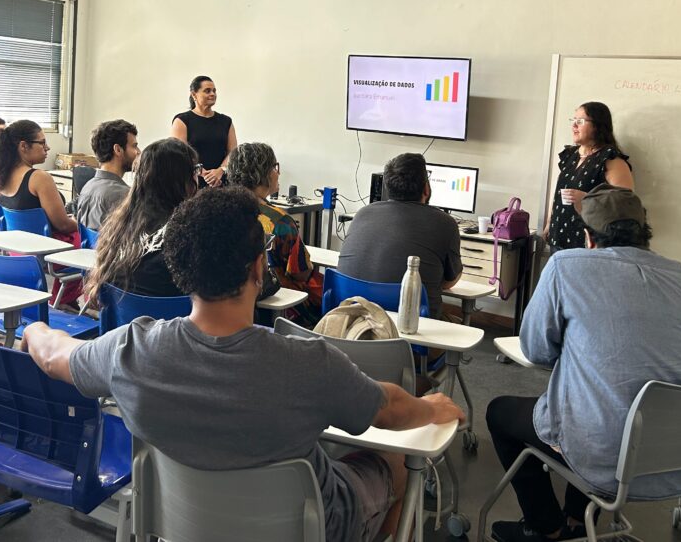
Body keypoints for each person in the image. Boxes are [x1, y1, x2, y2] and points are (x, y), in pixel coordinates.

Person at [24, 186, 466, 542]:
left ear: (180, 267)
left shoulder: (131, 351)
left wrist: (34, 332)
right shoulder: (308, 363)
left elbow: (53, 356)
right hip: (314, 525)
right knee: (391, 463)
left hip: (183, 525)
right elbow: (388, 411)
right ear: (259, 267)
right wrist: (431, 407)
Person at [486, 184, 681, 542]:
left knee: (503, 413)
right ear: (644, 233)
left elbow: (536, 349)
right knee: (602, 398)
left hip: (607, 450)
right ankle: (577, 519)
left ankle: (547, 526)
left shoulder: (566, 266)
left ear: (589, 237)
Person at [338, 153, 462, 316]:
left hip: (349, 320)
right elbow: (449, 282)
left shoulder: (362, 214)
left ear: (388, 187)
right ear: (426, 188)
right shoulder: (445, 223)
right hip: (410, 328)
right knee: (457, 322)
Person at [84, 138, 198, 300]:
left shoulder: (119, 226)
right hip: (168, 320)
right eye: (195, 169)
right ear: (181, 179)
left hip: (122, 322)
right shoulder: (186, 233)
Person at [227, 142, 318, 295]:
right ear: (264, 173)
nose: (278, 173)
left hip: (226, 298)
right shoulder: (280, 221)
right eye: (275, 167)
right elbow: (300, 273)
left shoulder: (218, 209)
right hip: (275, 298)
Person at [543, 101, 633, 252]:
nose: (574, 126)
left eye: (580, 121)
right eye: (573, 121)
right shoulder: (569, 155)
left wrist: (587, 199)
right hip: (558, 237)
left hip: (588, 244)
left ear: (597, 126)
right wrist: (549, 224)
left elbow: (625, 204)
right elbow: (558, 193)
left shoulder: (610, 159)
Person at [0, 119, 77, 237]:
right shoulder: (39, 178)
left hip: (15, 251)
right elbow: (64, 226)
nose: (47, 147)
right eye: (42, 143)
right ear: (23, 146)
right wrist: (80, 222)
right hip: (47, 250)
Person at [171, 75, 236, 188]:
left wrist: (220, 171)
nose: (212, 94)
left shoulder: (226, 121)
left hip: (221, 181)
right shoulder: (181, 121)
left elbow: (233, 152)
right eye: (207, 91)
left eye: (214, 91)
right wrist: (202, 172)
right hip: (192, 183)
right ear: (194, 95)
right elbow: (179, 155)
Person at [76, 119, 139, 232]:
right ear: (118, 150)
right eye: (134, 146)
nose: (138, 152)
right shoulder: (124, 195)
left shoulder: (87, 187)